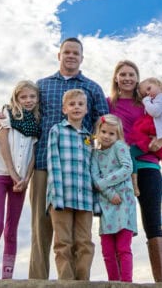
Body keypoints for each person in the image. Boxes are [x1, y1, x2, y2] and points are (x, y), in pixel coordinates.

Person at [0, 37, 109, 279]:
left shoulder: (92, 88)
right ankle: (38, 280)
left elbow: (105, 125)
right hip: (43, 163)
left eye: (76, 53)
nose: (71, 56)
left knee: (76, 231)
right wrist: (0, 117)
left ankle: (75, 281)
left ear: (82, 58)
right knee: (40, 227)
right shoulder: (42, 86)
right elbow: (21, 110)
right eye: (66, 52)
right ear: (59, 55)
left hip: (78, 168)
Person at [108, 60, 162, 283]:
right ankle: (120, 281)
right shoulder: (108, 104)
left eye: (131, 75)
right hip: (118, 171)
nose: (127, 78)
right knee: (117, 227)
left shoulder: (149, 103)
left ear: (137, 79)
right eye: (123, 74)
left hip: (147, 165)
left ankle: (161, 283)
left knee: (153, 223)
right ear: (116, 78)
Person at [0, 80, 40, 280]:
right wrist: (13, 174)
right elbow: (3, 145)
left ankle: (7, 278)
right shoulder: (6, 114)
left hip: (20, 181)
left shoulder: (37, 123)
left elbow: (33, 155)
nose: (28, 100)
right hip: (0, 174)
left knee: (11, 228)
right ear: (16, 98)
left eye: (32, 96)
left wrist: (26, 179)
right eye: (23, 97)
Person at [45, 88, 96, 279]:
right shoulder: (57, 131)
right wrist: (56, 195)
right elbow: (53, 163)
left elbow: (92, 167)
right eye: (72, 104)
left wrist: (95, 201)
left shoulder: (89, 137)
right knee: (63, 242)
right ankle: (66, 282)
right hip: (61, 196)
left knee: (85, 242)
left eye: (80, 104)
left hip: (85, 197)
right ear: (64, 109)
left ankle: (83, 280)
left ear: (86, 109)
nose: (76, 107)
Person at [90, 114, 137, 282]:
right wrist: (109, 193)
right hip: (106, 204)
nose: (107, 136)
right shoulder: (95, 154)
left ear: (118, 135)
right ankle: (114, 282)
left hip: (124, 202)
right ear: (97, 132)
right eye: (103, 132)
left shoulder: (119, 147)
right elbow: (95, 178)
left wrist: (104, 184)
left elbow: (127, 168)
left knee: (123, 247)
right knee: (107, 251)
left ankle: (126, 283)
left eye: (111, 133)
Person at [129, 76, 162, 196]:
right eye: (145, 94)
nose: (148, 94)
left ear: (158, 84)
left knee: (130, 153)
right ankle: (134, 182)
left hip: (150, 145)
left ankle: (134, 183)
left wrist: (145, 101)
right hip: (151, 141)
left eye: (149, 89)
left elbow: (155, 112)